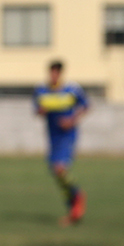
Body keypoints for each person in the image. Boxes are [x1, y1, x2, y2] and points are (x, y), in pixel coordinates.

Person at [33, 60, 88, 225]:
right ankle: (73, 210)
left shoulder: (71, 90)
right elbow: (37, 110)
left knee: (60, 169)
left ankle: (77, 196)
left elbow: (85, 106)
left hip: (67, 136)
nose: (54, 75)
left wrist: (72, 120)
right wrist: (41, 111)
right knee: (57, 173)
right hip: (52, 137)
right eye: (52, 72)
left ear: (61, 73)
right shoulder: (41, 91)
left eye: (57, 72)